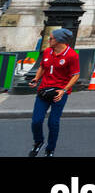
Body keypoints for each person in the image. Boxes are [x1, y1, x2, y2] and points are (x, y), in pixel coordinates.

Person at [29, 28, 79, 157]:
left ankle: (50, 149)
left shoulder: (72, 55)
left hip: (59, 93)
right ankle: (38, 142)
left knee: (53, 122)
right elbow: (42, 67)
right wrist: (36, 78)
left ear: (59, 40)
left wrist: (64, 90)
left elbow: (75, 75)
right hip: (44, 90)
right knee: (36, 121)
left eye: (51, 38)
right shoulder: (47, 51)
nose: (48, 40)